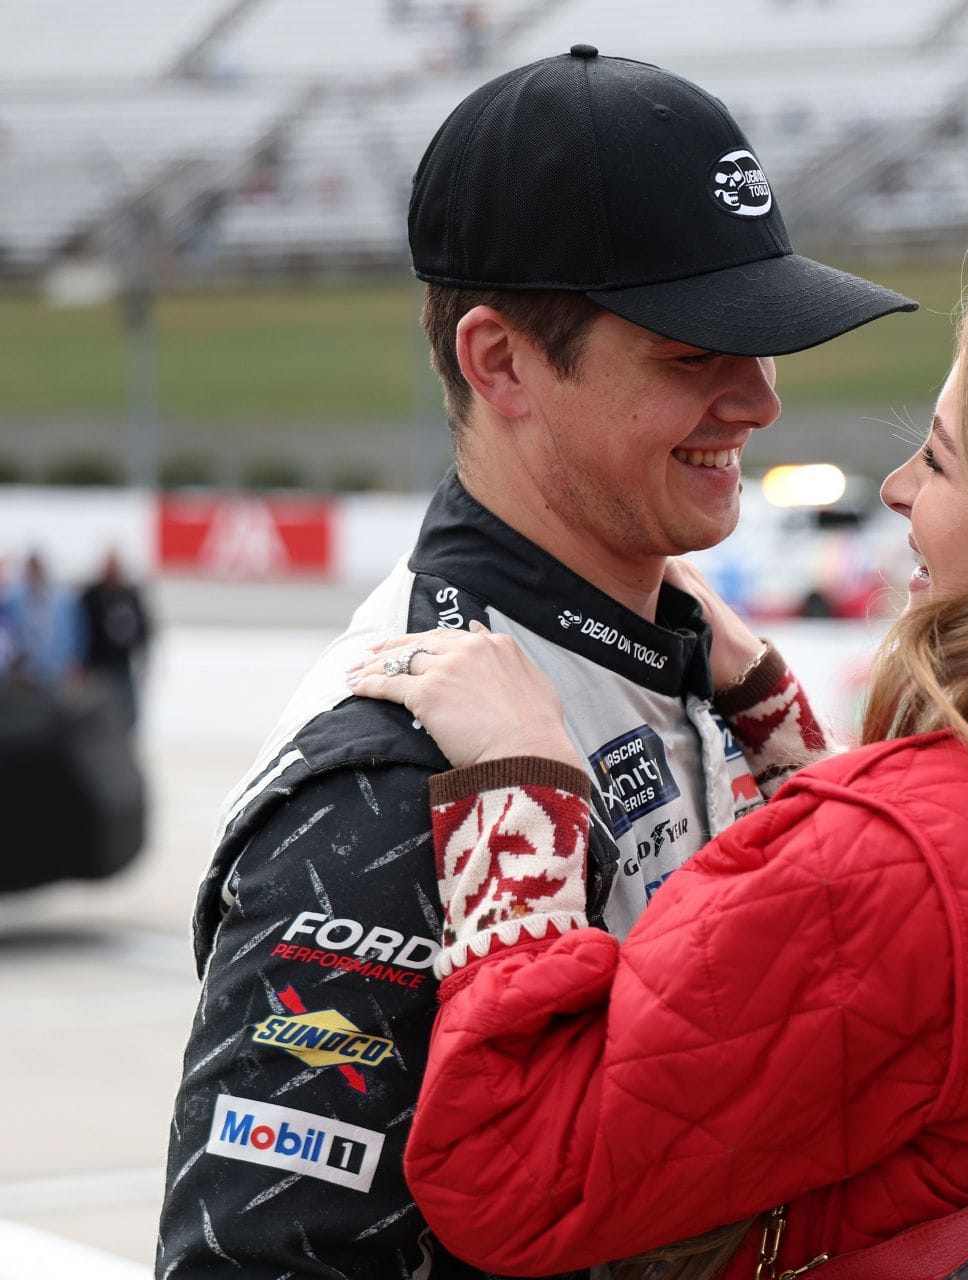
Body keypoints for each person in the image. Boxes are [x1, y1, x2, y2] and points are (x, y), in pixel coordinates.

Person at [348, 242, 968, 1280]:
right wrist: (779, 714)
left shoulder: (894, 859)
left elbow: (513, 1172)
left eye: (939, 458)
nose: (895, 490)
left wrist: (518, 792)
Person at [155, 47, 916, 1280]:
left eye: (767, 338)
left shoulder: (692, 664)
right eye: (693, 351)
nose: (761, 399)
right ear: (499, 360)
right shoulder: (392, 774)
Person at [78, 549, 151, 727]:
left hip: (122, 665)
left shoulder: (129, 595)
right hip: (97, 667)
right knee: (96, 712)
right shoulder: (91, 597)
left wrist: (144, 661)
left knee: (128, 713)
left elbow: (143, 630)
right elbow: (81, 631)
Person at [3, 551, 83, 690]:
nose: (34, 575)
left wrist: (74, 661)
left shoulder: (62, 601)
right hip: (26, 674)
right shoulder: (14, 600)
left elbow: (76, 633)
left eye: (36, 570)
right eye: (30, 571)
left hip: (56, 672)